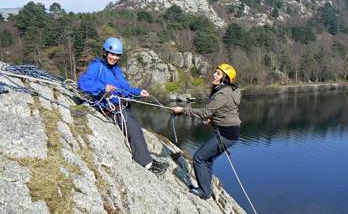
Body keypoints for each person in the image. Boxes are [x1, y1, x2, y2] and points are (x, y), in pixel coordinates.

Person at [78, 37, 168, 175]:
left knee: (136, 128)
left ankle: (145, 156)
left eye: (117, 55)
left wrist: (138, 92)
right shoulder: (97, 67)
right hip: (110, 108)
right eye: (112, 54)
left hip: (122, 105)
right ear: (105, 52)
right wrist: (103, 87)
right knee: (134, 129)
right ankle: (147, 163)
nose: (114, 57)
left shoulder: (116, 70)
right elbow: (83, 83)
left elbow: (125, 89)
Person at [173, 63, 241, 199]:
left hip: (226, 134)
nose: (214, 75)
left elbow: (204, 112)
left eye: (218, 73)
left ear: (225, 79)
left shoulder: (223, 94)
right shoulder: (230, 90)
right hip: (231, 132)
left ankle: (204, 192)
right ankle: (206, 189)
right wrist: (212, 119)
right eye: (215, 72)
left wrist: (183, 110)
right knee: (207, 160)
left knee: (199, 158)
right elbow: (226, 110)